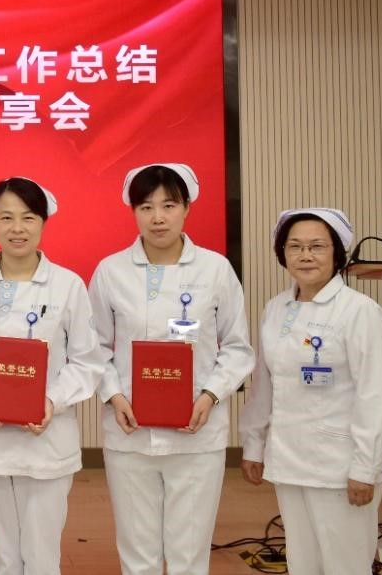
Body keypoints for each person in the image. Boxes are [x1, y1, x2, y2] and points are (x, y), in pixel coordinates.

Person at [89, 162, 253, 575]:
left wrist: (210, 395)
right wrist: (114, 395)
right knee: (137, 552)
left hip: (196, 434)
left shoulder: (215, 269)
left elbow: (237, 348)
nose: (157, 217)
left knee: (189, 555)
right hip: (130, 431)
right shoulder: (110, 271)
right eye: (146, 207)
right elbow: (94, 347)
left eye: (168, 205)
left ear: (187, 208)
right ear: (133, 212)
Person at [0, 177, 102, 575]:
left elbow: (86, 360)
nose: (17, 228)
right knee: (3, 555)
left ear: (43, 222)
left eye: (28, 217)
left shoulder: (68, 286)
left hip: (47, 438)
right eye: (6, 218)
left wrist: (51, 401)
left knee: (42, 555)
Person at [239, 207, 382, 575]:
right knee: (302, 562)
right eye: (295, 246)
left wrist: (366, 466)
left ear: (337, 253)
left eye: (317, 246)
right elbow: (265, 384)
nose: (305, 255)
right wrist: (254, 444)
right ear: (283, 254)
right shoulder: (276, 308)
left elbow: (374, 395)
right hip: (289, 459)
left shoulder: (360, 312)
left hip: (339, 464)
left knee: (345, 566)